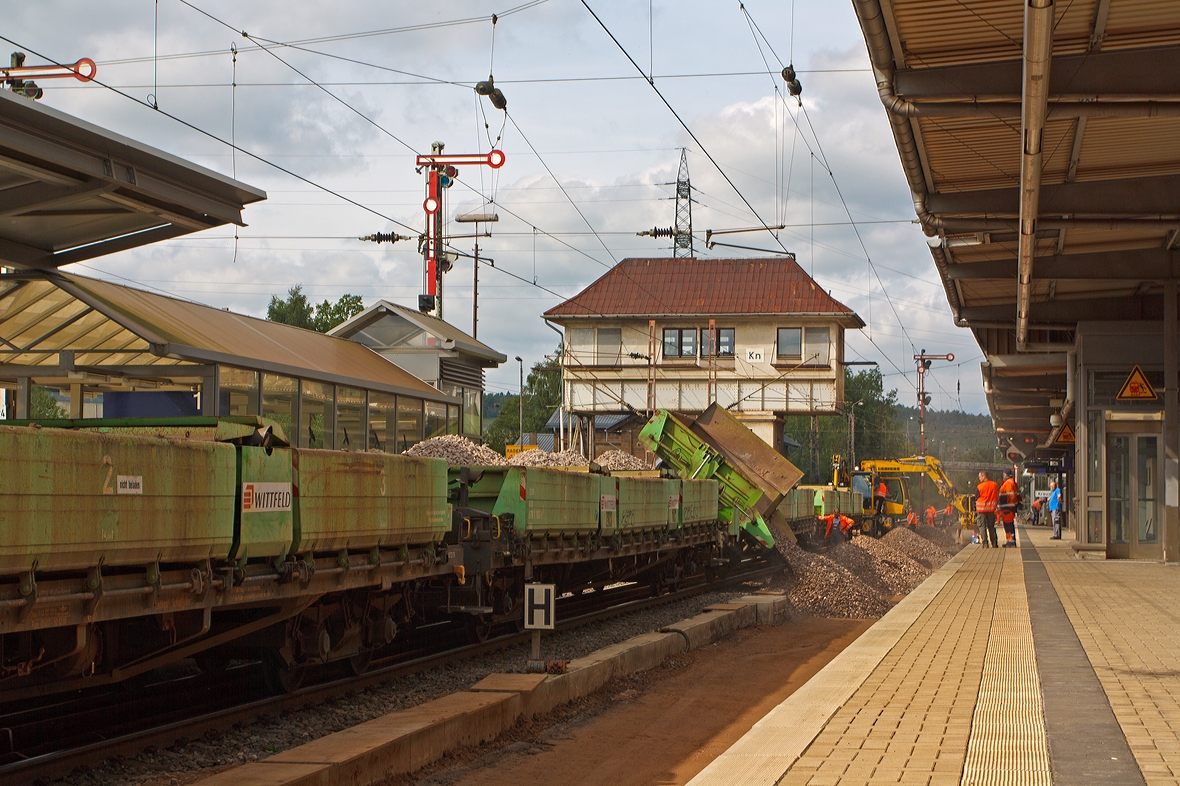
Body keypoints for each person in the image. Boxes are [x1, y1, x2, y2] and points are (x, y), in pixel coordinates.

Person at [975, 471, 999, 548]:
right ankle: (994, 543)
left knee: (982, 527)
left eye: (980, 477)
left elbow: (976, 497)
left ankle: (985, 544)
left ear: (984, 476)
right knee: (991, 526)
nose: (979, 479)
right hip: (991, 510)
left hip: (981, 510)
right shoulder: (994, 485)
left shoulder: (979, 487)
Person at [998, 470, 1020, 547]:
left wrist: (1008, 505)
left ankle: (1011, 542)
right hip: (1009, 507)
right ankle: (1010, 540)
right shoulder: (1012, 482)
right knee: (1009, 525)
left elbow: (1011, 495)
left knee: (1008, 525)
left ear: (1005, 474)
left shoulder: (1008, 483)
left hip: (1007, 508)